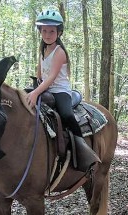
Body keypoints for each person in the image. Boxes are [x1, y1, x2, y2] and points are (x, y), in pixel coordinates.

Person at [21, 9, 99, 171]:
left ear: (59, 32)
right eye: (44, 31)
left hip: (60, 90)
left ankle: (82, 147)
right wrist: (35, 86)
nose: (47, 34)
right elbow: (41, 73)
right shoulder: (42, 50)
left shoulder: (60, 52)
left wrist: (36, 93)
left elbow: (51, 78)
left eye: (51, 31)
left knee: (66, 114)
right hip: (44, 88)